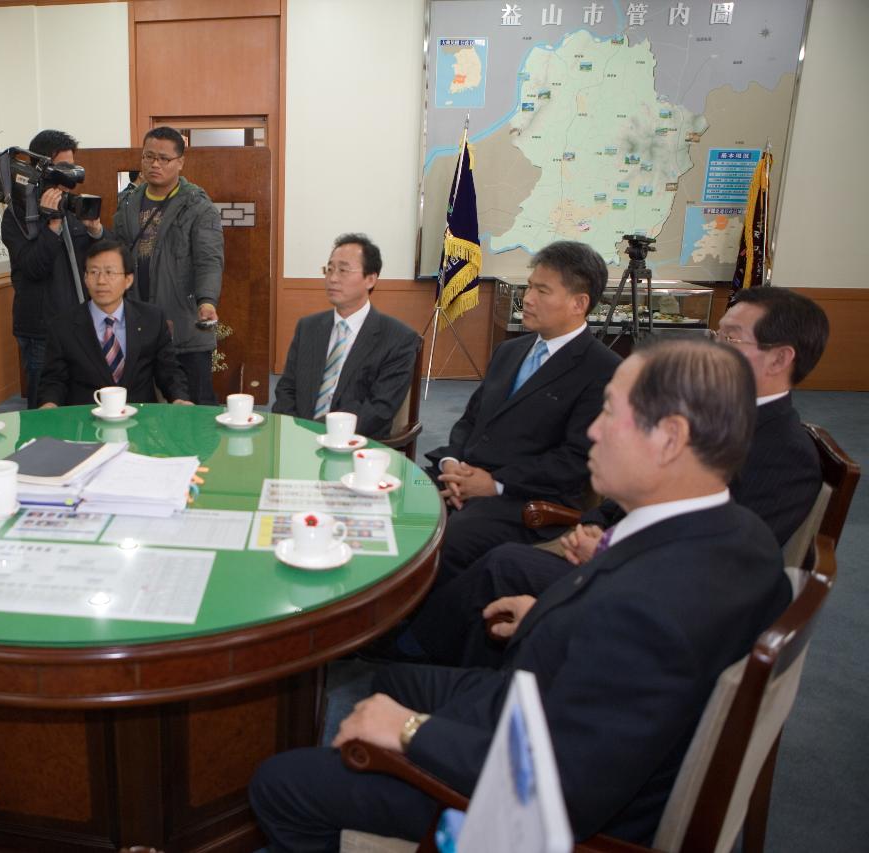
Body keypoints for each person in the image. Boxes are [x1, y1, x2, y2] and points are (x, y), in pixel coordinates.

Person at [250, 339, 793, 850]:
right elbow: (631, 665)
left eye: (609, 413)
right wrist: (545, 617)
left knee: (282, 783)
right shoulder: (745, 537)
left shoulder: (645, 613)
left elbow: (564, 788)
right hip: (570, 710)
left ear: (670, 438)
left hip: (548, 803)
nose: (594, 433)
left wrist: (410, 730)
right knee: (395, 676)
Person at [400, 285, 831, 669]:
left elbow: (721, 564)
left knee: (503, 563)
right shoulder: (714, 411)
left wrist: (608, 552)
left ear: (780, 357)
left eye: (732, 338)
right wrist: (595, 523)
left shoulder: (786, 454)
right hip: (620, 552)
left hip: (646, 592)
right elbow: (641, 490)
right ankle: (442, 653)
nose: (717, 348)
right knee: (496, 556)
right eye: (718, 335)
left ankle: (421, 651)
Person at [422, 241, 621, 583]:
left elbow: (575, 460)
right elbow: (471, 420)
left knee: (451, 540)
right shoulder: (509, 351)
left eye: (542, 291)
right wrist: (453, 464)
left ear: (579, 303)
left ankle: (425, 633)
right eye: (529, 286)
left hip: (527, 499)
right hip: (466, 475)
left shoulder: (603, 370)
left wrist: (495, 484)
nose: (527, 298)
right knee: (399, 498)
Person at [113, 126, 224, 404]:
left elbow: (209, 259)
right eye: (148, 156)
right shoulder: (128, 204)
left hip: (184, 321)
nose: (154, 164)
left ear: (180, 162)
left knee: (193, 404)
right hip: (138, 320)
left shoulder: (198, 205)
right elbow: (117, 253)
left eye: (164, 158)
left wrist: (207, 300)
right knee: (142, 407)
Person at [272, 234, 419, 439]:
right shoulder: (308, 327)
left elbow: (379, 410)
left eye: (343, 270)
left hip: (356, 445)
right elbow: (286, 389)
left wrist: (322, 433)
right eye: (329, 269)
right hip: (299, 438)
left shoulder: (398, 339)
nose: (332, 278)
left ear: (370, 279)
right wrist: (296, 431)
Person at [1, 129, 106, 408]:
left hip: (79, 323)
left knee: (81, 400)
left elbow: (94, 263)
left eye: (72, 167)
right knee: (45, 405)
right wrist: (52, 225)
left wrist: (96, 233)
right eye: (62, 167)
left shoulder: (71, 207)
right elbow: (33, 268)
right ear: (42, 168)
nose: (69, 176)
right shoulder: (17, 215)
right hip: (41, 331)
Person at [38, 240, 191, 407]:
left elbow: (169, 370)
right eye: (94, 272)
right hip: (85, 422)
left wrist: (179, 398)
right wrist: (49, 403)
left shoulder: (152, 319)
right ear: (86, 278)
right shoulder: (63, 326)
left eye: (110, 273)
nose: (101, 281)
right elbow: (54, 380)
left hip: (140, 421)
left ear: (128, 280)